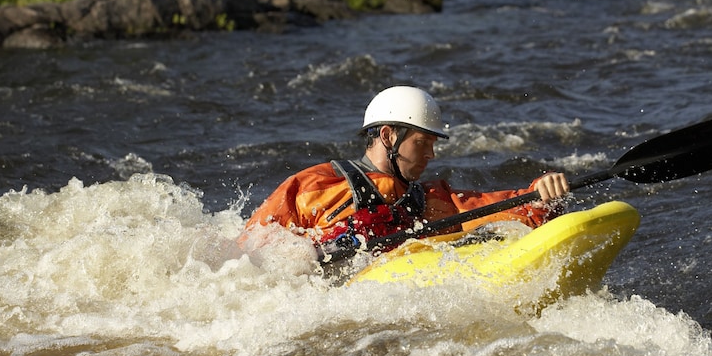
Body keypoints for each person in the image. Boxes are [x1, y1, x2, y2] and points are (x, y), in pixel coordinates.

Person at [243, 86, 570, 257]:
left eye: (433, 143)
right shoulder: (313, 186)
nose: (430, 154)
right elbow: (249, 253)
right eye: (422, 142)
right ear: (388, 136)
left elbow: (497, 209)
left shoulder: (430, 200)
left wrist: (541, 195)